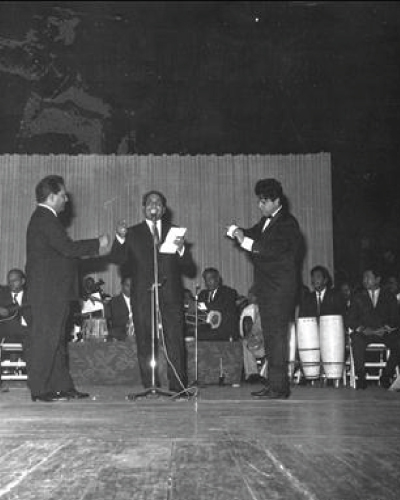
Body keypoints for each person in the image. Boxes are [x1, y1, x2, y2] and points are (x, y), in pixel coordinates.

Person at [26, 175, 109, 402]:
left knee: (57, 340)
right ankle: (40, 389)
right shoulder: (45, 218)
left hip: (53, 291)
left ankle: (62, 386)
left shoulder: (45, 218)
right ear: (52, 197)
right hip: (48, 293)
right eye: (63, 195)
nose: (66, 199)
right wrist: (97, 243)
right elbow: (67, 248)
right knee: (47, 339)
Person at [110, 190, 196, 395]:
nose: (153, 205)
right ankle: (150, 386)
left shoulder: (174, 232)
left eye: (158, 203)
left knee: (174, 340)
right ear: (143, 208)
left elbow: (190, 268)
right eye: (149, 202)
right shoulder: (132, 233)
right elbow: (118, 259)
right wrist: (120, 238)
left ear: (164, 209)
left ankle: (178, 386)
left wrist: (182, 250)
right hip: (142, 295)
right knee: (144, 340)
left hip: (171, 295)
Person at [227, 178, 302, 399]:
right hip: (269, 289)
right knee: (270, 337)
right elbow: (252, 233)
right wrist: (237, 231)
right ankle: (274, 384)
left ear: (277, 201)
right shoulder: (266, 221)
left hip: (280, 290)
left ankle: (279, 388)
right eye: (259, 200)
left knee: (277, 338)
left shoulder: (288, 223)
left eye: (264, 201)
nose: (259, 205)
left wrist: (244, 241)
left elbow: (270, 250)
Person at [347, 267, 400, 389]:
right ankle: (361, 377)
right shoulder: (357, 296)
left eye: (368, 277)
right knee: (356, 340)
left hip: (384, 333)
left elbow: (395, 318)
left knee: (398, 342)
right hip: (365, 333)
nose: (365, 280)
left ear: (377, 279)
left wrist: (386, 328)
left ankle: (386, 375)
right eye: (363, 277)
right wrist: (362, 329)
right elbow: (350, 319)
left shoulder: (389, 296)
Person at [197, 267, 239, 341]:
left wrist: (203, 306)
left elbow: (219, 307)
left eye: (210, 279)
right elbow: (198, 309)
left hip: (224, 330)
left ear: (217, 279)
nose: (207, 282)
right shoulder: (203, 294)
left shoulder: (229, 292)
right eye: (205, 280)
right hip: (207, 329)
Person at [239, 287, 266, 383]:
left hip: (270, 342)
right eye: (249, 295)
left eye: (252, 295)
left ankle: (264, 375)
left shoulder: (267, 308)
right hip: (259, 342)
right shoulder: (252, 309)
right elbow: (254, 330)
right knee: (246, 342)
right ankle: (252, 374)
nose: (249, 298)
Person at [0, 269, 31, 345]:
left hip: (28, 337)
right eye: (9, 281)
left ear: (23, 281)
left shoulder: (31, 295)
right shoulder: (2, 293)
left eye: (14, 280)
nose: (11, 283)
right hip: (5, 337)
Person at [106, 276, 133, 341]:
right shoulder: (114, 301)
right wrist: (130, 322)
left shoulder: (139, 300)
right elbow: (116, 322)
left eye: (132, 286)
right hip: (121, 334)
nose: (130, 288)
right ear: (122, 286)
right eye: (127, 285)